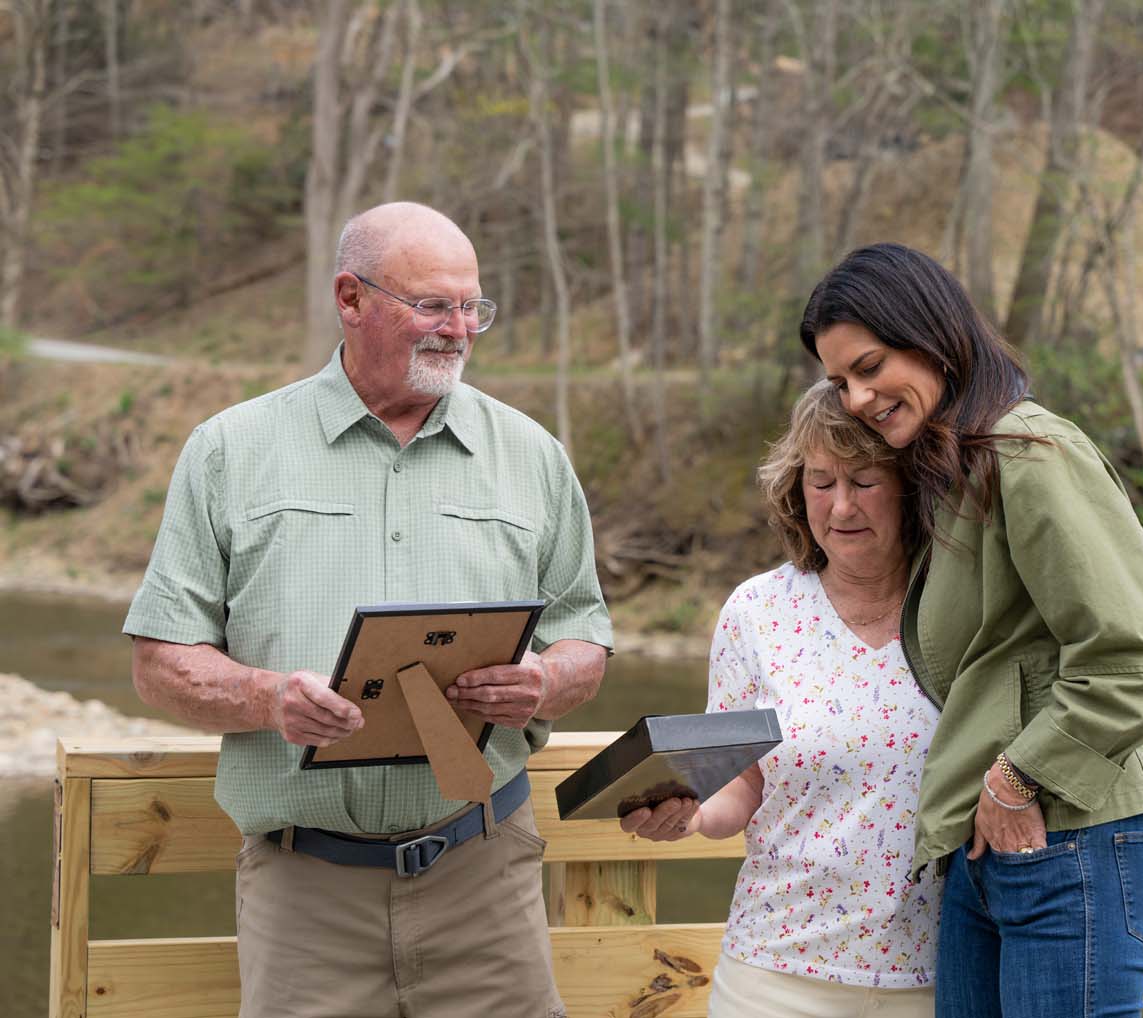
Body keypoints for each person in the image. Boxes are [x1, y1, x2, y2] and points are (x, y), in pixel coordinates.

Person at [123, 201, 611, 1018]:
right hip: (304, 894)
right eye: (433, 305)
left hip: (485, 879)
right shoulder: (229, 450)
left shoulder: (533, 456)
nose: (459, 329)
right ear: (350, 299)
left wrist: (544, 681)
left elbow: (585, 639)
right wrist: (268, 699)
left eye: (473, 307)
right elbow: (159, 663)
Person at [800, 242, 1143, 1018]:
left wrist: (1015, 780)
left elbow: (1134, 656)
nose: (858, 398)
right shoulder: (959, 471)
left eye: (869, 367)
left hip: (1067, 841)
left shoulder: (1028, 453)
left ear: (931, 335)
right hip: (988, 848)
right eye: (840, 382)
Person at [621, 380, 942, 1018]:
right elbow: (740, 781)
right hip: (774, 972)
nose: (841, 506)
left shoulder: (958, 605)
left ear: (912, 487)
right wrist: (689, 815)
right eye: (821, 482)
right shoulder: (758, 612)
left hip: (935, 972)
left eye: (865, 481)